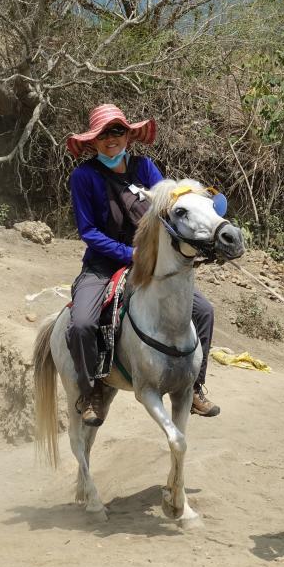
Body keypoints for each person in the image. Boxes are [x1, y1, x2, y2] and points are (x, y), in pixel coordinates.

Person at [66, 103, 220, 427]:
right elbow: (88, 231)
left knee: (203, 311)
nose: (112, 139)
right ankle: (90, 389)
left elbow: (169, 208)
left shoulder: (145, 167)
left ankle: (194, 387)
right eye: (104, 133)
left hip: (150, 265)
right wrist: (128, 255)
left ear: (128, 135)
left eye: (118, 131)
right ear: (93, 141)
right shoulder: (84, 177)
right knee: (81, 323)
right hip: (102, 265)